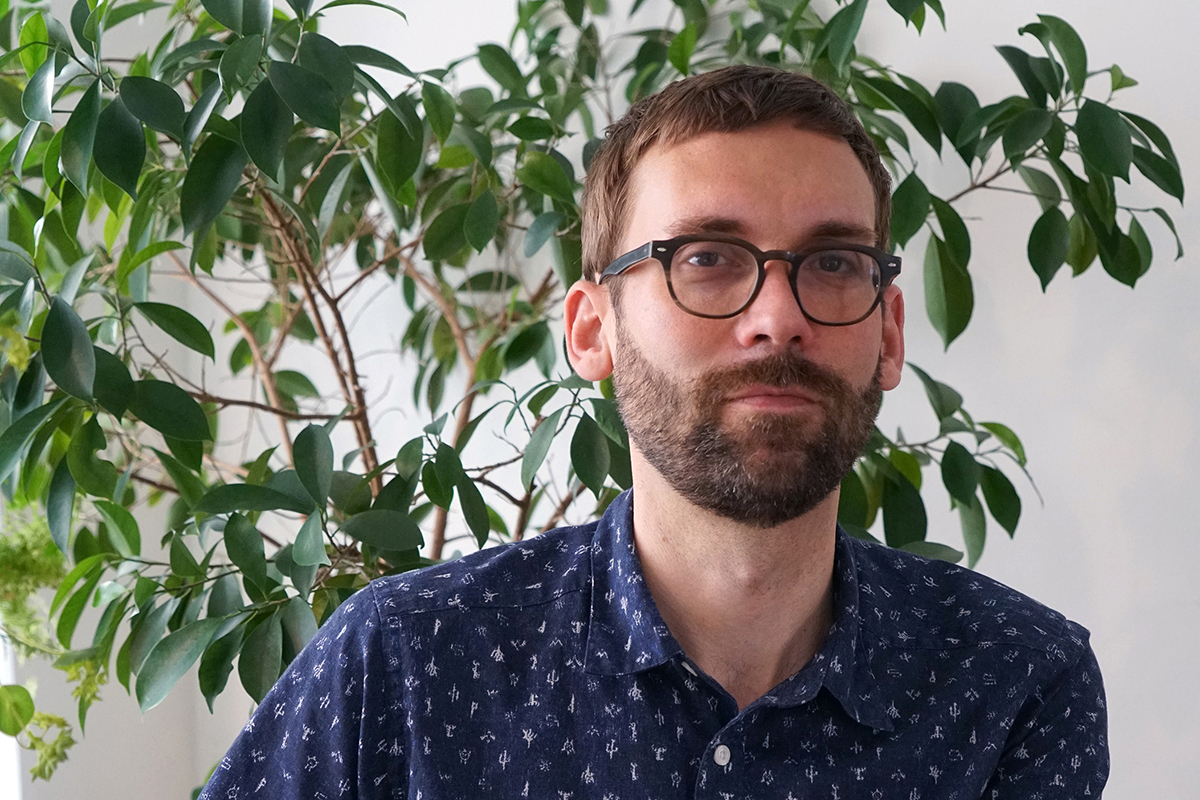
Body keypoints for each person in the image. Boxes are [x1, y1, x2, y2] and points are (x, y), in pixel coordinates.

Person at [200, 65, 1108, 799]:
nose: (778, 318)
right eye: (706, 259)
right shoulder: (406, 661)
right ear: (591, 330)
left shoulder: (1016, 684)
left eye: (834, 263)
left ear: (890, 333)